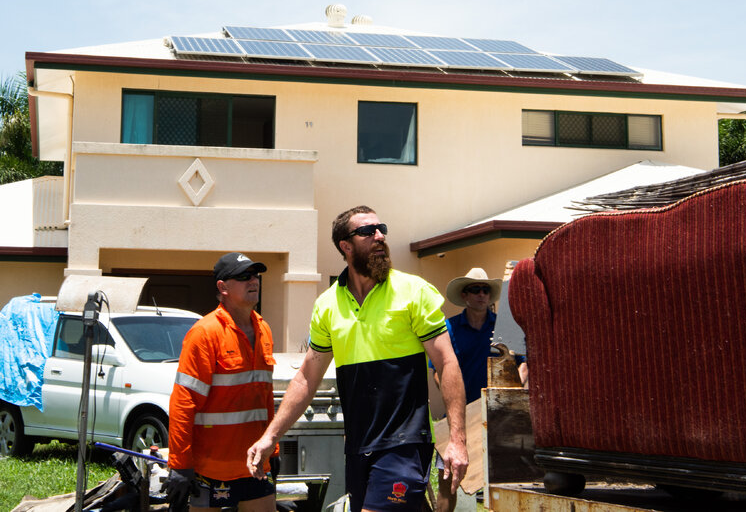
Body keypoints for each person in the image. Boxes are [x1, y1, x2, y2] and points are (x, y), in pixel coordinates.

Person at [247, 206, 468, 512]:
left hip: (403, 444)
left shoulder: (414, 291)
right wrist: (271, 436)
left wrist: (457, 440)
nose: (379, 236)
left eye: (381, 229)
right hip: (358, 448)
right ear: (345, 246)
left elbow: (447, 364)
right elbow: (306, 379)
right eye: (367, 231)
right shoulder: (326, 305)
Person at [165, 252, 278, 512]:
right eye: (243, 276)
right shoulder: (205, 333)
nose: (253, 281)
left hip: (255, 464)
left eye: (255, 275)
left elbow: (265, 398)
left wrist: (273, 450)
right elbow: (183, 403)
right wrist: (180, 465)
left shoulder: (264, 330)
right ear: (222, 287)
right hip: (210, 468)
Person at [430, 267, 524, 512]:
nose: (482, 294)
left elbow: (524, 366)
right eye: (475, 290)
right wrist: (458, 404)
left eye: (485, 290)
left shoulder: (506, 328)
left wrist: (513, 396)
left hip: (500, 416)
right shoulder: (448, 328)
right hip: (459, 418)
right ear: (464, 295)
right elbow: (438, 373)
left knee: (508, 485)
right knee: (448, 482)